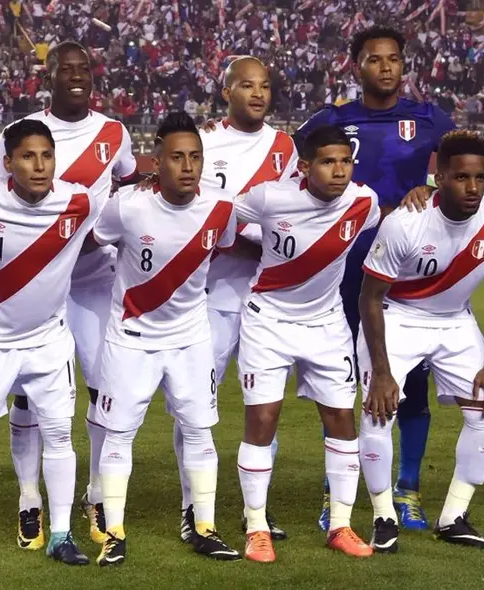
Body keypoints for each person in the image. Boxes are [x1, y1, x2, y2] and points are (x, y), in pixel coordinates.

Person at [295, 25, 484, 530]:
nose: (386, 67)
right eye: (375, 59)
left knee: (411, 385)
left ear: (403, 65)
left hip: (408, 274)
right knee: (346, 387)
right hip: (341, 270)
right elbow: (284, 164)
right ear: (356, 66)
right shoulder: (330, 120)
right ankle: (337, 491)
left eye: (394, 59)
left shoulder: (428, 117)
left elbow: (476, 159)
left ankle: (407, 489)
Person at [0, 40, 140, 549]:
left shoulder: (113, 133)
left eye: (84, 68)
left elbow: (131, 183)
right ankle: (29, 499)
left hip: (96, 279)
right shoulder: (22, 133)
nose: (77, 76)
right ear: (47, 76)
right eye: (66, 69)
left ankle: (96, 493)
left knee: (103, 388)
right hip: (34, 283)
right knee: (27, 395)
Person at [0, 119, 94, 568]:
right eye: (28, 156)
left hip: (49, 342)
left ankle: (62, 534)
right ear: (7, 163)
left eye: (46, 155)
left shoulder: (80, 201)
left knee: (60, 436)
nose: (39, 165)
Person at [90, 112, 240, 566]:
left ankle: (204, 526)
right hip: (131, 337)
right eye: (177, 157)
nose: (188, 166)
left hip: (192, 337)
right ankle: (113, 531)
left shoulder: (221, 206)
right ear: (157, 160)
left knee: (200, 432)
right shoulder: (128, 205)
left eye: (195, 156)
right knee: (118, 435)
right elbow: (100, 239)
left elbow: (225, 244)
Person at [358, 131, 484, 552]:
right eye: (462, 177)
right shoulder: (405, 222)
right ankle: (383, 516)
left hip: (454, 321)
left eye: (481, 178)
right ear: (440, 177)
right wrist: (381, 371)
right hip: (397, 317)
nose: (473, 187)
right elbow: (370, 297)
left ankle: (454, 517)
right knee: (379, 412)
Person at [235, 125, 379, 562]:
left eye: (345, 162)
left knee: (341, 420)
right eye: (327, 162)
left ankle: (340, 525)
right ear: (304, 166)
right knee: (263, 419)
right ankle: (256, 526)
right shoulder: (268, 198)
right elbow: (218, 219)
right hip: (268, 321)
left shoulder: (364, 202)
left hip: (327, 324)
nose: (339, 171)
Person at [184, 55, 297, 544]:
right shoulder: (204, 143)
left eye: (265, 86)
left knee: (263, 408)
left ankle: (258, 513)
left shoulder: (285, 147)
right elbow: (197, 212)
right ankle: (195, 508)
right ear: (225, 91)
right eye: (246, 85)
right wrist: (251, 232)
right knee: (196, 406)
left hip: (268, 298)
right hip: (210, 293)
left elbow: (291, 212)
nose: (257, 94)